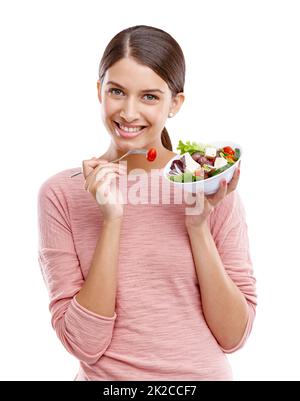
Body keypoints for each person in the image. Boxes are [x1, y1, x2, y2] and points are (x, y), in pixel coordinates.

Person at [37, 25, 257, 381]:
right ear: (99, 91)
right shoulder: (61, 194)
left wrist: (197, 227)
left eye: (150, 97)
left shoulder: (210, 189)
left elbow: (233, 336)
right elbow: (84, 344)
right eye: (117, 92)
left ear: (176, 103)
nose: (128, 111)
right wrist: (112, 221)